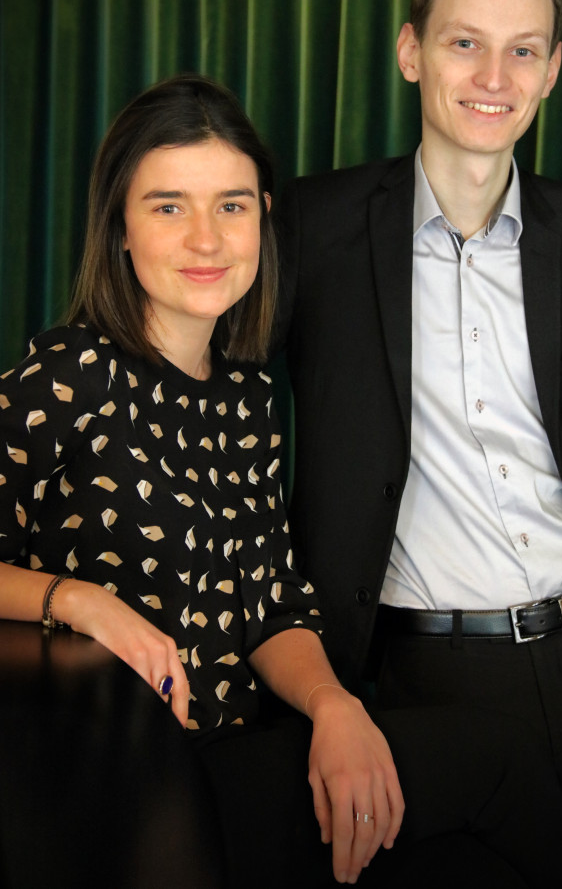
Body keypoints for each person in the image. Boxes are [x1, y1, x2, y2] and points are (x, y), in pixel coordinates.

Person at [275, 0, 562, 884]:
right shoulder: (313, 225)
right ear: (412, 51)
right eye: (465, 43)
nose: (494, 75)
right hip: (432, 681)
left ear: (550, 73)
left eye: (524, 50)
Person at [0, 74, 404, 887]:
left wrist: (333, 704)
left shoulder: (250, 395)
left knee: (479, 788)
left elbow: (269, 604)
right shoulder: (72, 371)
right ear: (118, 226)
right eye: (167, 205)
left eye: (232, 204)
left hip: (233, 751)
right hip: (98, 773)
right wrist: (77, 601)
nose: (207, 239)